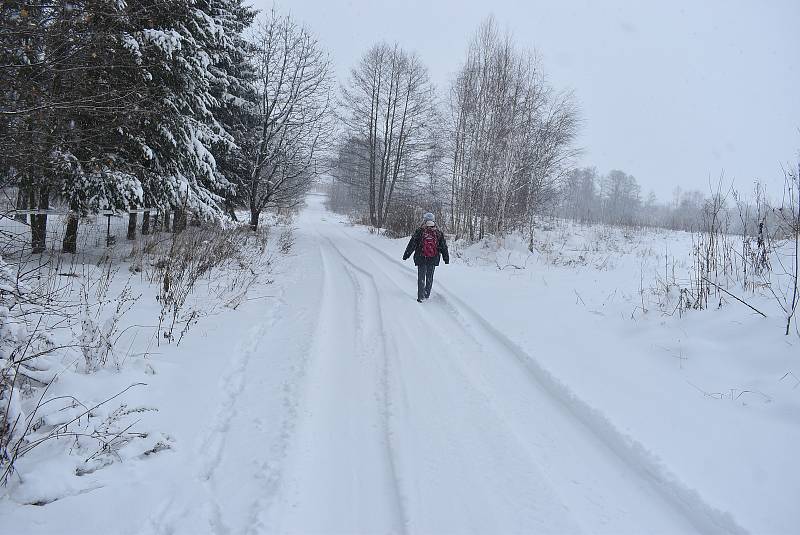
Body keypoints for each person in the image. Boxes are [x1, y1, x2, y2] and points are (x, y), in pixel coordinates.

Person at [402, 212, 449, 302]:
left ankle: (420, 297)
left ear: (424, 220)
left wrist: (406, 255)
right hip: (433, 258)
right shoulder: (438, 232)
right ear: (433, 220)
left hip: (421, 257)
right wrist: (446, 258)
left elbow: (412, 244)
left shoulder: (419, 231)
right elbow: (443, 246)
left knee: (421, 277)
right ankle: (427, 294)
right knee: (429, 277)